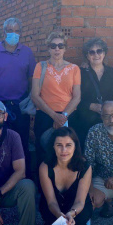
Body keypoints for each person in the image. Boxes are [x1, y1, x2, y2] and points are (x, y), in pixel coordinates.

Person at [0, 17, 36, 177]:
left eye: (17, 30)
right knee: (0, 144)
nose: (14, 34)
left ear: (21, 33)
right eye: (10, 30)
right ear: (4, 32)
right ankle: (2, 180)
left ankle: (24, 180)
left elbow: (32, 78)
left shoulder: (27, 52)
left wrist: (30, 100)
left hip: (20, 106)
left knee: (22, 144)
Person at [31, 31, 81, 179]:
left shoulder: (74, 69)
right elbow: (35, 95)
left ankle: (64, 186)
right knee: (45, 152)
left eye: (60, 46)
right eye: (53, 46)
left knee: (67, 154)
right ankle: (43, 189)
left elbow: (77, 96)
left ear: (65, 48)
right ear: (49, 48)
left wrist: (63, 116)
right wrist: (54, 116)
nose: (57, 49)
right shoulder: (40, 66)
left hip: (68, 116)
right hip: (45, 116)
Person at [39, 127, 92, 225]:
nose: (64, 150)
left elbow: (80, 201)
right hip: (53, 207)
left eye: (68, 145)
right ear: (53, 147)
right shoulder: (45, 166)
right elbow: (51, 202)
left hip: (76, 207)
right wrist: (59, 215)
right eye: (59, 145)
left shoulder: (85, 166)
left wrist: (70, 214)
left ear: (75, 146)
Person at [70, 38, 113, 150]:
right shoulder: (80, 73)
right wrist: (91, 106)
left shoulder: (112, 72)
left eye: (99, 51)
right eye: (92, 52)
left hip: (108, 122)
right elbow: (72, 97)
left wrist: (110, 109)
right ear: (87, 55)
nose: (96, 55)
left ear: (104, 53)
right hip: (85, 122)